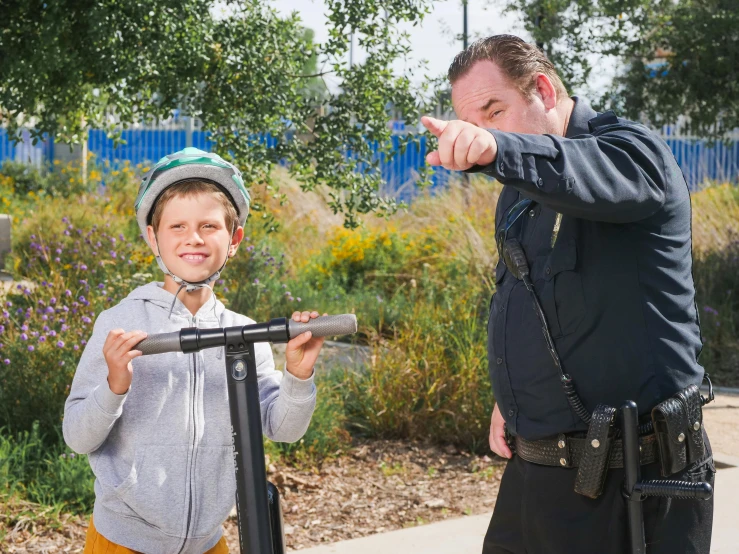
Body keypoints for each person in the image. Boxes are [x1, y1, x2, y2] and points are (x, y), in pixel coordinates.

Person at [421, 35, 714, 553]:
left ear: (543, 89)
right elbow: (526, 293)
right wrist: (512, 391)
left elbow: (579, 171)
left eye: (495, 111)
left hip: (637, 480)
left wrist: (497, 149)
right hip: (539, 473)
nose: (484, 131)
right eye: (475, 121)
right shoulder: (519, 192)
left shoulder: (633, 153)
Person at [63, 147, 325, 553]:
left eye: (209, 225)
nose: (194, 238)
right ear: (153, 237)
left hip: (207, 542)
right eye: (177, 226)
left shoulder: (242, 333)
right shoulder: (122, 325)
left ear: (234, 239)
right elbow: (78, 437)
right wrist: (114, 386)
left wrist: (299, 375)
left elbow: (284, 429)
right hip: (124, 540)